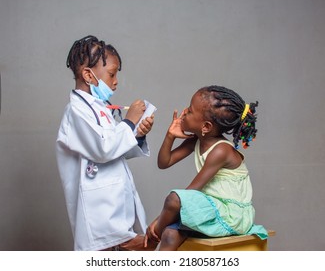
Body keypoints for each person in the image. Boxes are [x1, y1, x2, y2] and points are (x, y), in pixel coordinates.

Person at [56, 35, 157, 251]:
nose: (116, 81)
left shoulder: (100, 107)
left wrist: (137, 134)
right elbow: (103, 149)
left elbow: (116, 150)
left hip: (116, 211)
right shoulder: (76, 111)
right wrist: (129, 121)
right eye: (112, 74)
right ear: (88, 75)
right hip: (99, 219)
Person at [145, 85, 267, 251]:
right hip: (213, 209)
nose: (185, 112)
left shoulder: (221, 150)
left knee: (174, 198)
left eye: (190, 111)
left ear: (206, 127)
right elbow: (164, 162)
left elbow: (191, 192)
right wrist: (170, 135)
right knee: (170, 234)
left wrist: (158, 221)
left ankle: (147, 245)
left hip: (231, 215)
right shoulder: (198, 140)